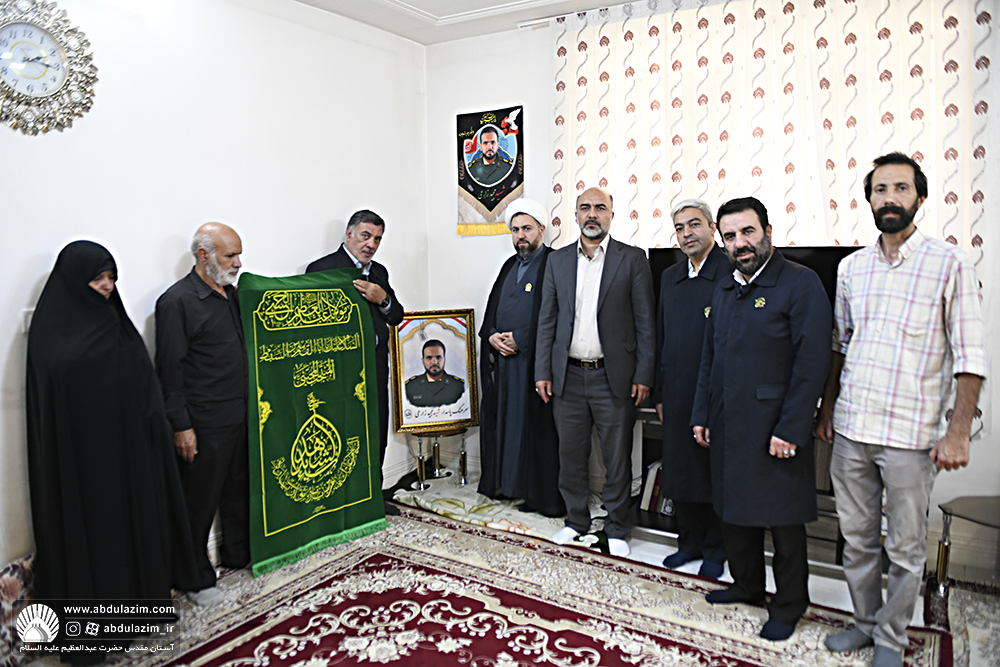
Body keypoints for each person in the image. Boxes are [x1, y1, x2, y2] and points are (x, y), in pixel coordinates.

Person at [817, 152, 986, 667]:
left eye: (901, 188)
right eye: (880, 190)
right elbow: (840, 345)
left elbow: (970, 356)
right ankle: (866, 624)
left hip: (912, 437)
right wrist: (827, 410)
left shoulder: (950, 263)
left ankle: (891, 638)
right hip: (852, 429)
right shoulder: (851, 268)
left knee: (906, 548)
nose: (890, 198)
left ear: (920, 197)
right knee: (857, 540)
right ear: (869, 200)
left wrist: (958, 432)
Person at [26, 241, 199, 619]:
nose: (107, 286)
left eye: (111, 277)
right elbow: (55, 404)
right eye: (98, 278)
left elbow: (142, 382)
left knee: (132, 530)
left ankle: (142, 605)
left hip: (129, 455)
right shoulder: (50, 336)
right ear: (75, 280)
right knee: (96, 539)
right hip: (83, 463)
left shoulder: (116, 324)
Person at [691, 197, 831, 641]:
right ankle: (747, 586)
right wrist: (702, 413)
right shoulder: (725, 288)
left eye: (748, 232)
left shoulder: (800, 283)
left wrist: (792, 428)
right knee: (733, 512)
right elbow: (709, 358)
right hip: (727, 423)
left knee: (784, 521)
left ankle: (789, 605)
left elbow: (813, 363)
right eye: (730, 236)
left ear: (768, 231)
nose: (740, 243)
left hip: (775, 428)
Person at [535, 186, 656, 558]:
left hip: (613, 377)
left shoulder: (632, 259)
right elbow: (547, 320)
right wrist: (542, 371)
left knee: (616, 458)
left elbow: (646, 323)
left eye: (600, 207)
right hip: (567, 377)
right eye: (585, 207)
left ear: (611, 215)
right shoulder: (557, 261)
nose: (592, 214)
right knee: (570, 456)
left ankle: (617, 526)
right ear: (575, 215)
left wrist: (644, 374)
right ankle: (576, 521)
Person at [155, 222, 250, 605]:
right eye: (230, 255)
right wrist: (181, 426)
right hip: (204, 422)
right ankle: (193, 579)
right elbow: (169, 372)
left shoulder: (234, 296)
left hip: (241, 413)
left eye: (239, 254)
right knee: (198, 502)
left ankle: (238, 555)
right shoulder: (177, 302)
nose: (238, 262)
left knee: (238, 491)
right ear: (203, 255)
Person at [307, 210, 405, 515]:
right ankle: (340, 504)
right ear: (349, 234)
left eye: (377, 239)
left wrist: (382, 298)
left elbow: (396, 315)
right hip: (341, 371)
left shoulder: (379, 273)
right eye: (365, 236)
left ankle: (372, 498)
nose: (371, 244)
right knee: (343, 434)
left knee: (376, 433)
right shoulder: (322, 269)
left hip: (375, 367)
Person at [478, 199, 565, 517]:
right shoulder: (508, 266)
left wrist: (523, 339)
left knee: (536, 431)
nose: (520, 236)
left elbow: (561, 315)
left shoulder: (556, 263)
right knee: (505, 426)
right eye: (515, 230)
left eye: (526, 229)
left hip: (535, 365)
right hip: (504, 364)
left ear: (541, 229)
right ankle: (506, 486)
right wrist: (491, 335)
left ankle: (537, 495)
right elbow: (492, 308)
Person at [654, 199, 727, 579]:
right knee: (680, 469)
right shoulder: (670, 277)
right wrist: (659, 391)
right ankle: (688, 543)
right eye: (680, 228)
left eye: (694, 224)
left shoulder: (730, 271)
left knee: (712, 471)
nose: (687, 234)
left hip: (716, 390)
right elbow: (661, 336)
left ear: (712, 228)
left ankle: (716, 548)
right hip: (677, 390)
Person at [405, 339, 465, 407]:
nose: (434, 362)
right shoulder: (410, 387)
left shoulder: (458, 386)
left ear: (444, 360)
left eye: (438, 357)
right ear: (423, 361)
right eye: (429, 358)